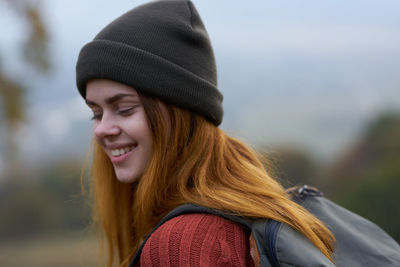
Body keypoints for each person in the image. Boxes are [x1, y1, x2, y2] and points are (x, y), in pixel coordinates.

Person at [75, 0, 334, 266]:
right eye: (96, 112)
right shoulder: (244, 211)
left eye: (125, 109)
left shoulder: (183, 245)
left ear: (181, 110)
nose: (103, 129)